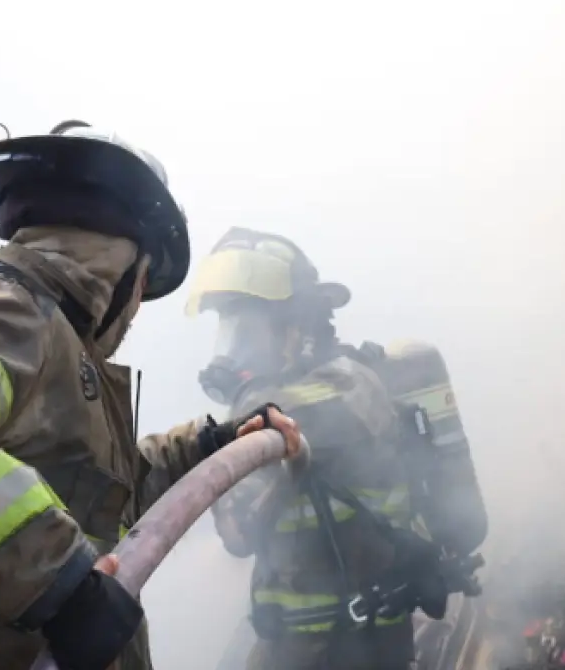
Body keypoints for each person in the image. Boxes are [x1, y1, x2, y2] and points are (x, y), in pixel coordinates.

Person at [0, 122, 302, 670]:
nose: (136, 310)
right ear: (122, 266)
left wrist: (211, 442)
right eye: (142, 287)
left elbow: (108, 498)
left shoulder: (60, 351)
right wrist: (62, 587)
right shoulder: (9, 309)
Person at [186, 226, 449, 670]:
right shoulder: (325, 385)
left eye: (248, 331)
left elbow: (237, 536)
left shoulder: (328, 392)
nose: (236, 351)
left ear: (295, 329)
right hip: (313, 641)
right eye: (231, 332)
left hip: (342, 646)